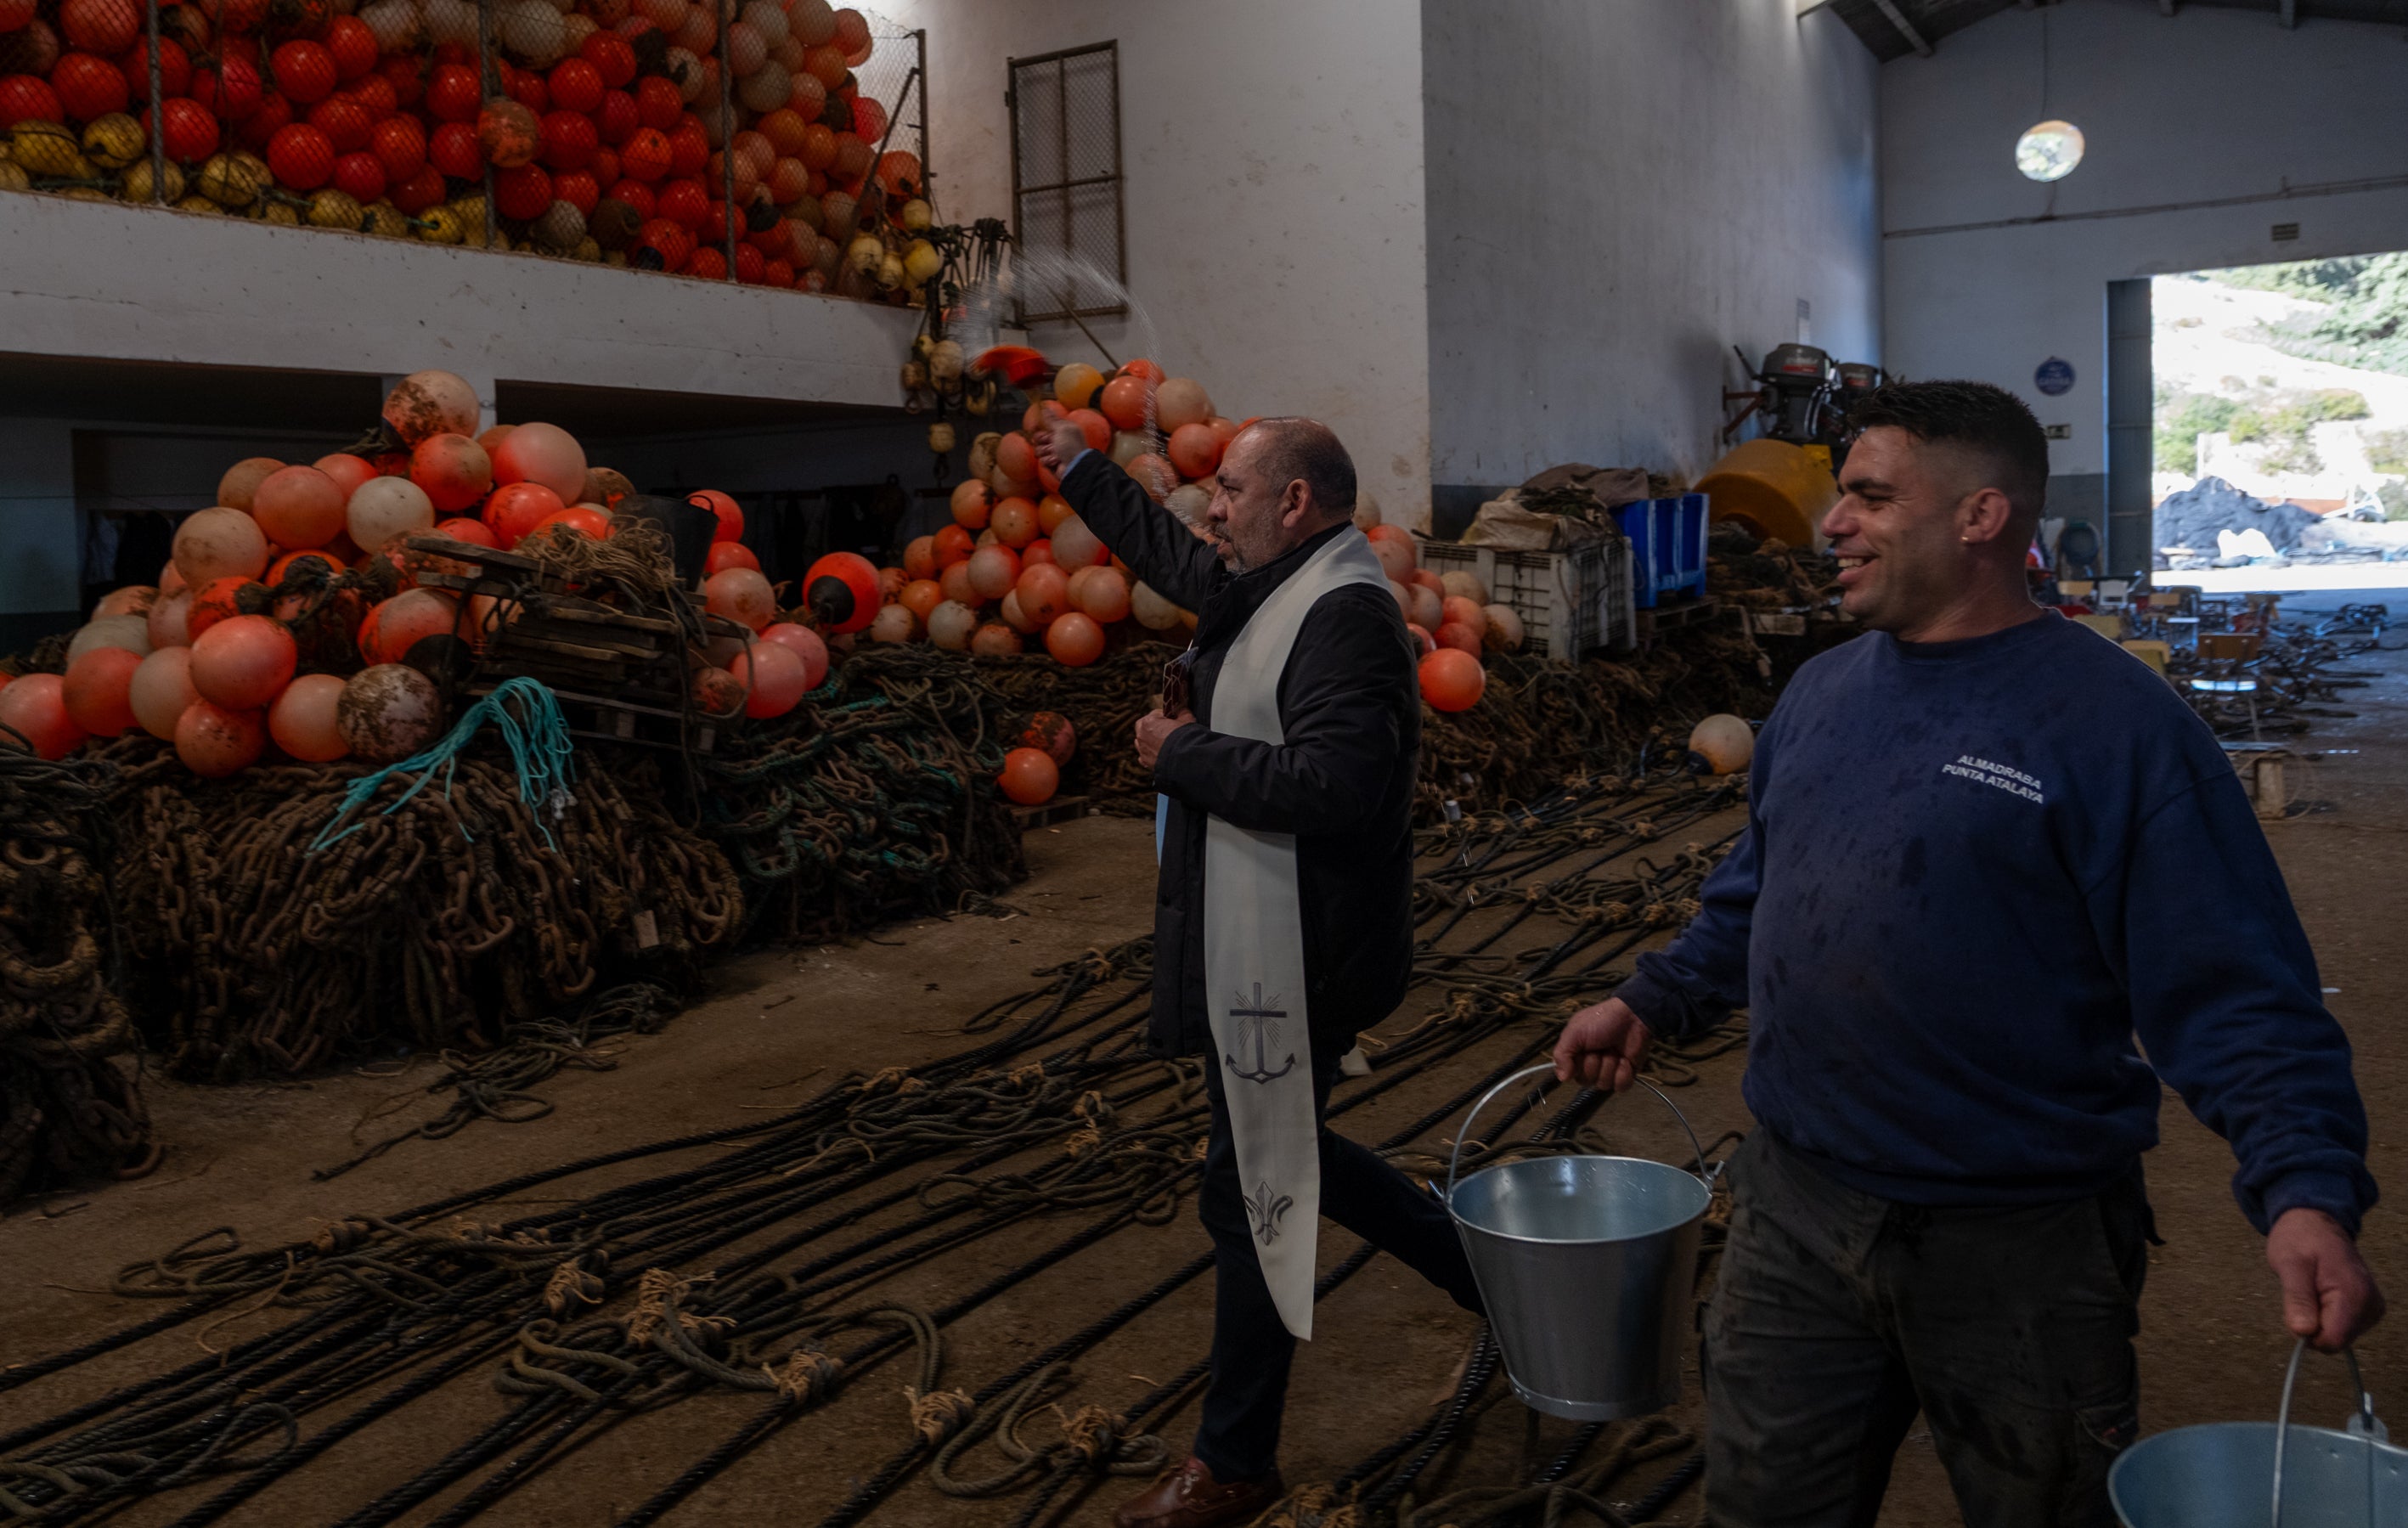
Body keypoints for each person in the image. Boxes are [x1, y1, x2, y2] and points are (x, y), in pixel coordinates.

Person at [1554, 380, 2383, 1526]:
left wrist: (2304, 1193)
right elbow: (1758, 894)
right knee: (1760, 1510)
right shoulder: (1819, 695)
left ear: (1980, 518)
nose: (1831, 522)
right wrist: (1652, 998)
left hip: (2018, 1245)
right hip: (1796, 1211)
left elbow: (2237, 988)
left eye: (1869, 495)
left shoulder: (2117, 731)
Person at [1035, 411, 1482, 1528]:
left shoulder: (1348, 620)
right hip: (1266, 939)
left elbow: (1338, 787)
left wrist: (1180, 752)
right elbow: (1181, 560)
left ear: (1296, 503)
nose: (1212, 505)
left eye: (1231, 488)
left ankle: (1234, 1461)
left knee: (1253, 1189)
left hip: (1303, 956)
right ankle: (1489, 1278)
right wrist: (1081, 471)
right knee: (1278, 1159)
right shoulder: (1280, 578)